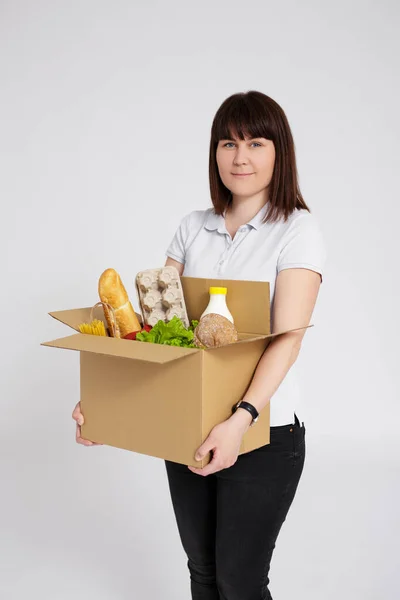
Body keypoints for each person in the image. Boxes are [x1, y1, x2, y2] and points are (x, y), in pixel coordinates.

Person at [72, 90, 326, 599]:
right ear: (214, 152)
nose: (241, 156)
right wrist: (107, 400)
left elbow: (287, 340)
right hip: (188, 425)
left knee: (239, 582)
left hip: (261, 435)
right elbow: (161, 333)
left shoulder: (297, 231)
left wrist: (240, 419)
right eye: (228, 143)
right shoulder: (193, 228)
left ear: (280, 152)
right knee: (203, 573)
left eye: (256, 142)